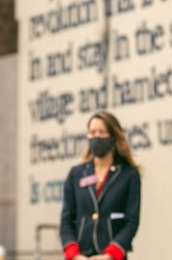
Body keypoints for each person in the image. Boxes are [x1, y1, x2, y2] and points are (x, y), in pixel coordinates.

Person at [60, 111, 141, 260]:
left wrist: (110, 255)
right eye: (92, 132)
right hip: (80, 256)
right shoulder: (76, 174)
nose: (96, 136)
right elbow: (66, 220)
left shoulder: (129, 175)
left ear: (113, 137)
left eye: (102, 132)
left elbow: (131, 221)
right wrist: (74, 255)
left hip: (111, 256)